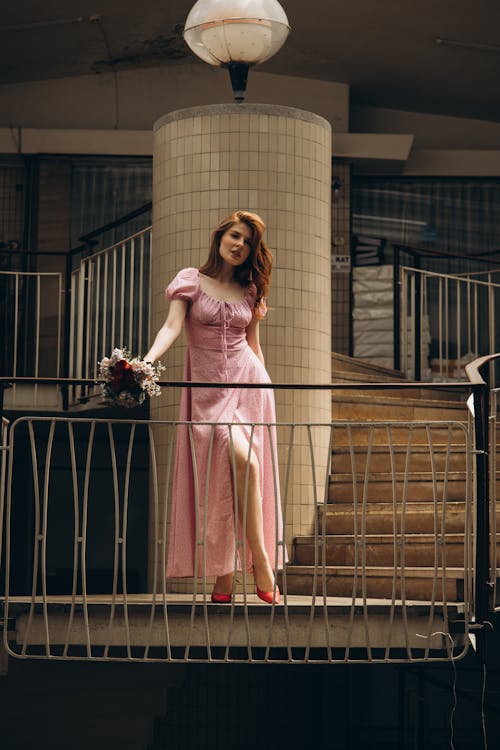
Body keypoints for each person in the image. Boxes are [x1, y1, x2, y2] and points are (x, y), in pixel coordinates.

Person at [144, 210, 286, 604]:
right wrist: (147, 361)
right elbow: (173, 327)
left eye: (249, 243)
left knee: (242, 469)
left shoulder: (252, 289)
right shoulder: (191, 280)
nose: (240, 246)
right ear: (221, 236)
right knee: (231, 472)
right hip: (207, 393)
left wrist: (268, 385)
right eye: (236, 237)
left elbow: (254, 344)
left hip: (249, 385)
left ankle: (228, 577)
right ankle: (259, 561)